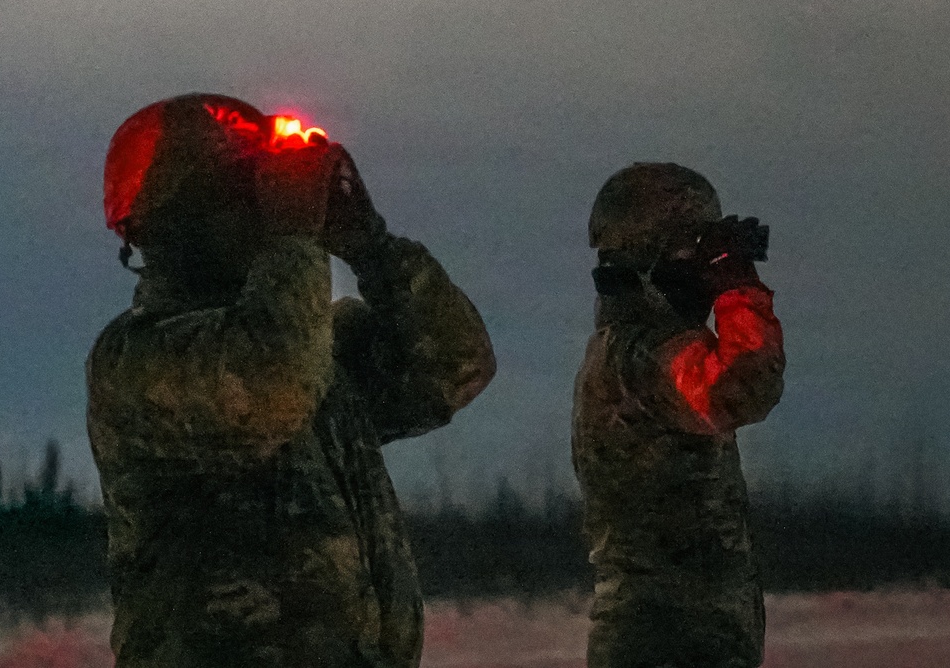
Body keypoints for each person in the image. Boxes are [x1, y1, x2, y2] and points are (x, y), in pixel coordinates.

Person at [87, 93, 496, 668]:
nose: (265, 209)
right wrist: (294, 239)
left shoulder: (310, 346)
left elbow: (455, 365)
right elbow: (271, 388)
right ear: (180, 218)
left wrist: (369, 245)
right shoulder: (135, 358)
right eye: (247, 191)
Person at [571, 163, 785, 668]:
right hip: (667, 642)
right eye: (695, 255)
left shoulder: (631, 351)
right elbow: (744, 387)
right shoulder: (640, 356)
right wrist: (739, 287)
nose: (704, 275)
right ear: (652, 262)